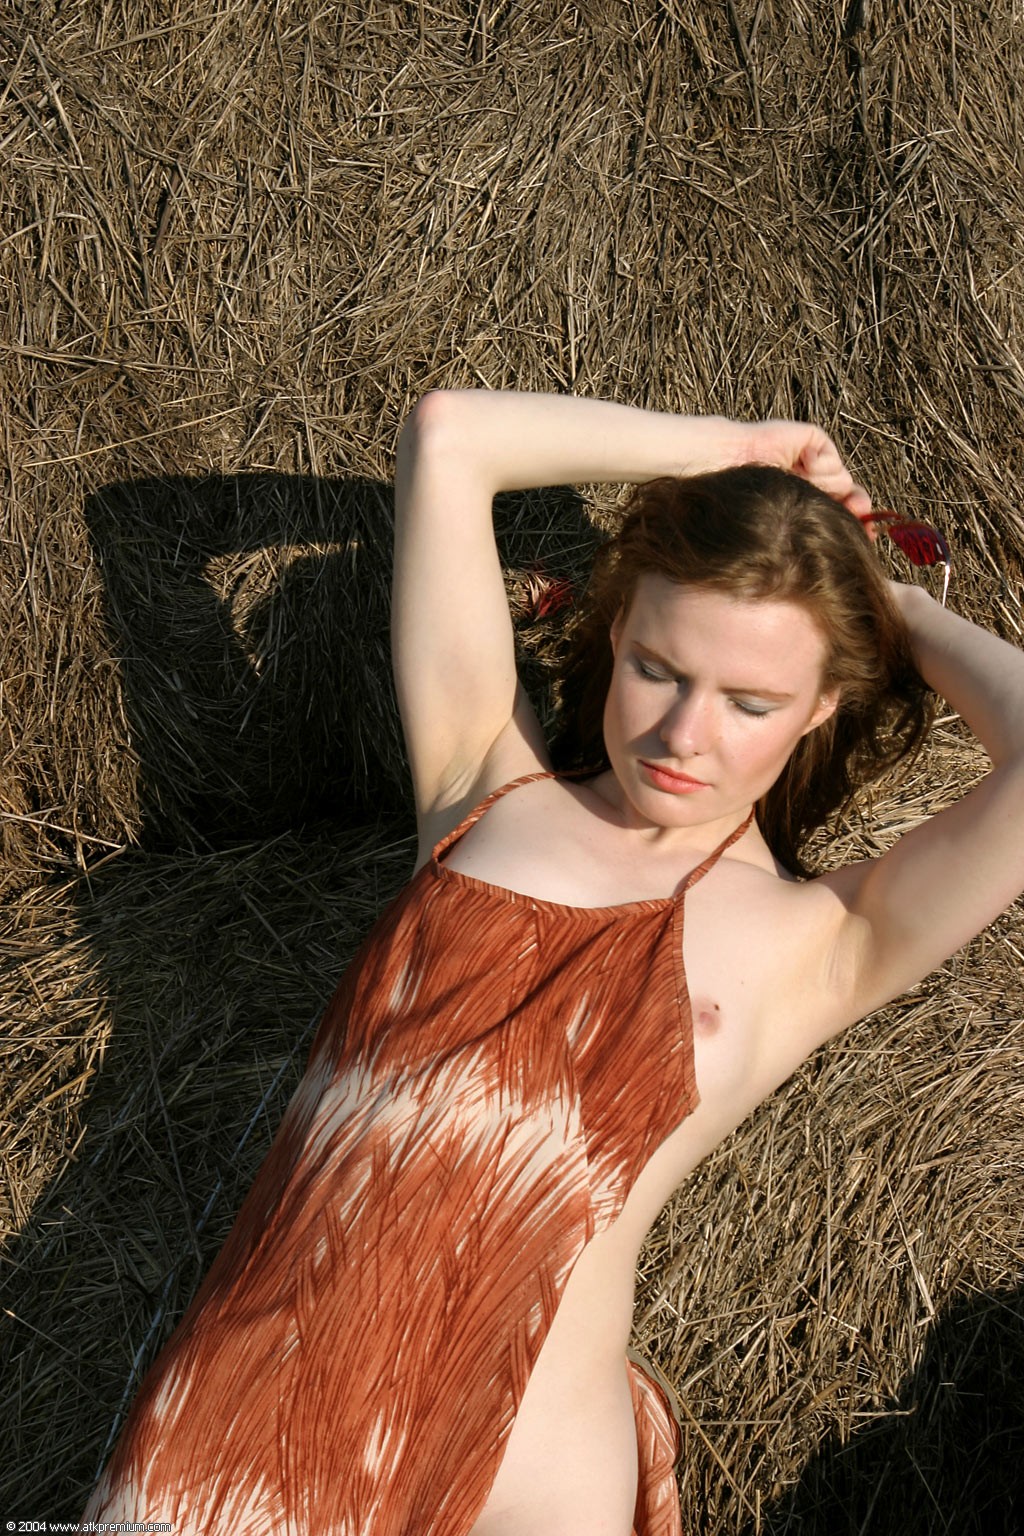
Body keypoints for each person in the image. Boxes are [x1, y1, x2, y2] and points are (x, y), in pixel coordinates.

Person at [84, 390, 1024, 1536]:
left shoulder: (821, 940)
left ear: (820, 705)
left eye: (751, 701)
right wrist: (736, 452)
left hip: (534, 1480)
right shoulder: (483, 782)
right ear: (615, 636)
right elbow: (449, 436)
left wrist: (890, 602)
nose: (683, 736)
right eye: (659, 669)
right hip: (251, 1428)